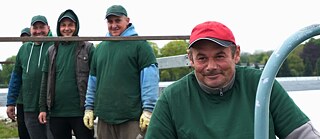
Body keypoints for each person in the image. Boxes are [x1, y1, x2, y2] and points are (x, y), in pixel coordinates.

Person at [145, 21, 320, 139]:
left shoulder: (261, 85)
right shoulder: (172, 98)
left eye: (219, 56)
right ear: (190, 59)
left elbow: (302, 134)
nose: (211, 66)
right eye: (202, 58)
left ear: (235, 54)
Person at [83, 5, 159, 139]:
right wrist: (89, 107)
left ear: (127, 20)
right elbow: (92, 80)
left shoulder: (140, 46)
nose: (114, 25)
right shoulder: (100, 48)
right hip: (104, 118)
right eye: (110, 22)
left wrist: (148, 110)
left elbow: (150, 79)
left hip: (131, 119)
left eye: (118, 21)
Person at [38, 9, 95, 139]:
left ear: (76, 26)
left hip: (81, 111)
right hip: (57, 112)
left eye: (70, 25)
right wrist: (42, 108)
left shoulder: (88, 48)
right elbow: (45, 81)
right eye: (63, 25)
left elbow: (95, 79)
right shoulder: (51, 51)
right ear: (59, 28)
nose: (67, 28)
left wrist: (92, 108)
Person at [6, 15, 54, 139]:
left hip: (52, 108)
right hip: (29, 107)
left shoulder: (55, 45)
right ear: (30, 29)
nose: (38, 31)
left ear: (48, 28)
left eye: (42, 27)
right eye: (35, 28)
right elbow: (15, 78)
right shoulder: (23, 49)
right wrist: (11, 102)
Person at [6, 27, 31, 139]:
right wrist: (11, 102)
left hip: (35, 101)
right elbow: (14, 79)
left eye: (27, 38)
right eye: (23, 39)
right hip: (21, 100)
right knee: (23, 130)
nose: (25, 41)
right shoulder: (21, 54)